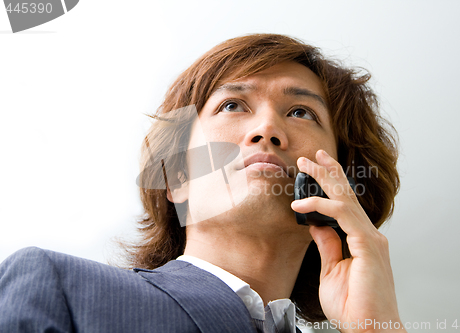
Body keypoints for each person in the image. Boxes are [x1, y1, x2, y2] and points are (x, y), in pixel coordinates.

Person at [0, 33, 403, 332]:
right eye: (232, 105)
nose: (267, 128)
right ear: (177, 177)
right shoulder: (59, 286)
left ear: (342, 184)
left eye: (301, 112)